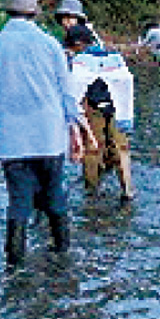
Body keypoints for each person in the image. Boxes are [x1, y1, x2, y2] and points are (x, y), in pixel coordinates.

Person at [0, 0, 94, 267]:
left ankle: (15, 267)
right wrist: (78, 127)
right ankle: (63, 259)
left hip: (11, 139)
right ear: (34, 13)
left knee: (18, 202)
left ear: (7, 12)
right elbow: (66, 92)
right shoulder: (51, 45)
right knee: (55, 196)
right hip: (50, 136)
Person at [64, 23, 135, 204]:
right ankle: (127, 191)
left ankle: (91, 195)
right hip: (117, 108)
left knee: (92, 150)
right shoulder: (114, 57)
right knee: (121, 150)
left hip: (93, 107)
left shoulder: (80, 62)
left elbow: (74, 92)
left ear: (79, 44)